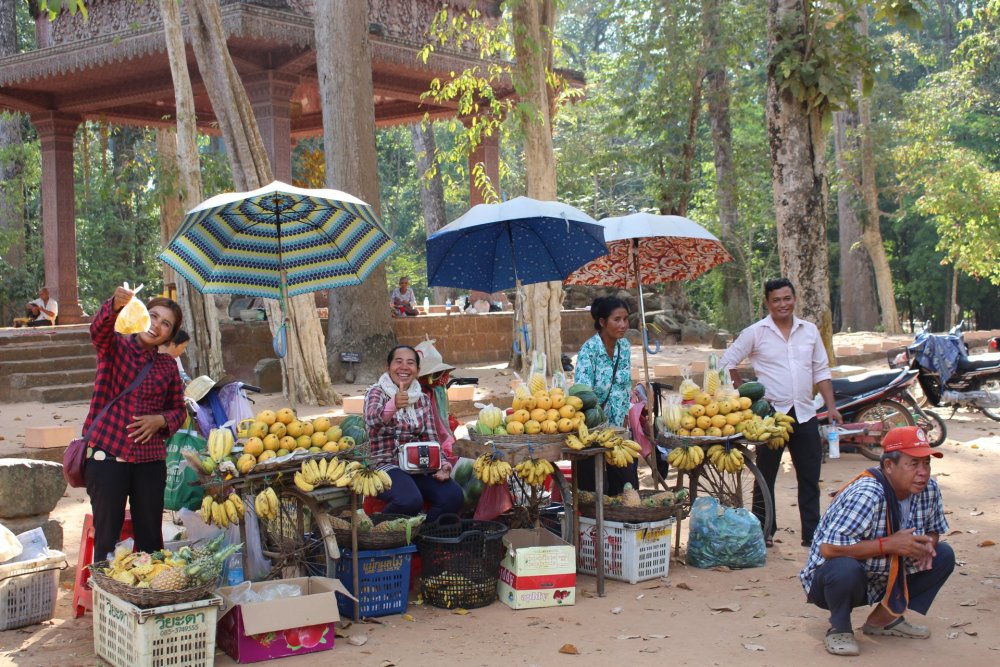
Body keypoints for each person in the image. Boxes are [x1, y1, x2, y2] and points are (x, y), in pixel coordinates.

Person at [800, 426, 954, 656]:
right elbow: (829, 549)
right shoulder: (868, 493)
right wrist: (889, 544)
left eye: (926, 463)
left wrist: (927, 545)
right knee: (844, 568)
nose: (923, 472)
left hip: (885, 572)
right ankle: (839, 628)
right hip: (833, 578)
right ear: (889, 466)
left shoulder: (928, 489)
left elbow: (934, 529)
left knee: (943, 555)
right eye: (913, 463)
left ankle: (883, 621)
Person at [720, 278, 843, 548]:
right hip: (770, 417)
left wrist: (831, 407)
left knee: (809, 477)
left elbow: (821, 370)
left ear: (794, 299)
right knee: (765, 476)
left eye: (787, 298)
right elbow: (726, 361)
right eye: (776, 300)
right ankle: (764, 530)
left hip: (805, 414)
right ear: (768, 303)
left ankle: (811, 533)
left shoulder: (809, 331)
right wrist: (742, 388)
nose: (782, 304)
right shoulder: (756, 332)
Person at [83, 286, 187, 560]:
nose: (156, 326)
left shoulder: (167, 366)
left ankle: (147, 598)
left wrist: (161, 420)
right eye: (153, 316)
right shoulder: (114, 346)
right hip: (107, 456)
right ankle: (107, 600)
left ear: (170, 334)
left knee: (151, 540)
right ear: (140, 314)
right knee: (107, 540)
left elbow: (179, 409)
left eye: (166, 324)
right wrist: (114, 306)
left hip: (150, 463)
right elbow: (98, 332)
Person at [364, 345, 464, 520]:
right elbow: (372, 420)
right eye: (398, 362)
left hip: (417, 465)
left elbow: (431, 438)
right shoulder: (376, 392)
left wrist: (442, 464)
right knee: (409, 500)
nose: (404, 367)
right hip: (384, 464)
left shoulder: (422, 399)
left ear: (417, 371)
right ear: (388, 367)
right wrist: (392, 406)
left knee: (453, 496)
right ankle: (376, 532)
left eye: (410, 363)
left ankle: (423, 535)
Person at [574, 296, 637, 496]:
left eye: (626, 319)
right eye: (617, 319)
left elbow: (625, 385)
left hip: (619, 431)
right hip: (593, 432)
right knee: (593, 492)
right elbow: (582, 394)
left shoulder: (624, 347)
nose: (623, 325)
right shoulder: (589, 350)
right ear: (602, 322)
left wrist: (627, 415)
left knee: (627, 489)